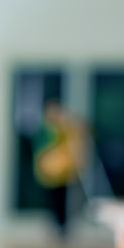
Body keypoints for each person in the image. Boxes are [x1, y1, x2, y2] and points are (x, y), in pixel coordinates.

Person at [33, 99, 86, 240]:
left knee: (63, 201)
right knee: (52, 201)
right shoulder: (46, 129)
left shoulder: (65, 128)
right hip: (49, 172)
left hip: (64, 173)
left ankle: (63, 227)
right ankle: (55, 226)